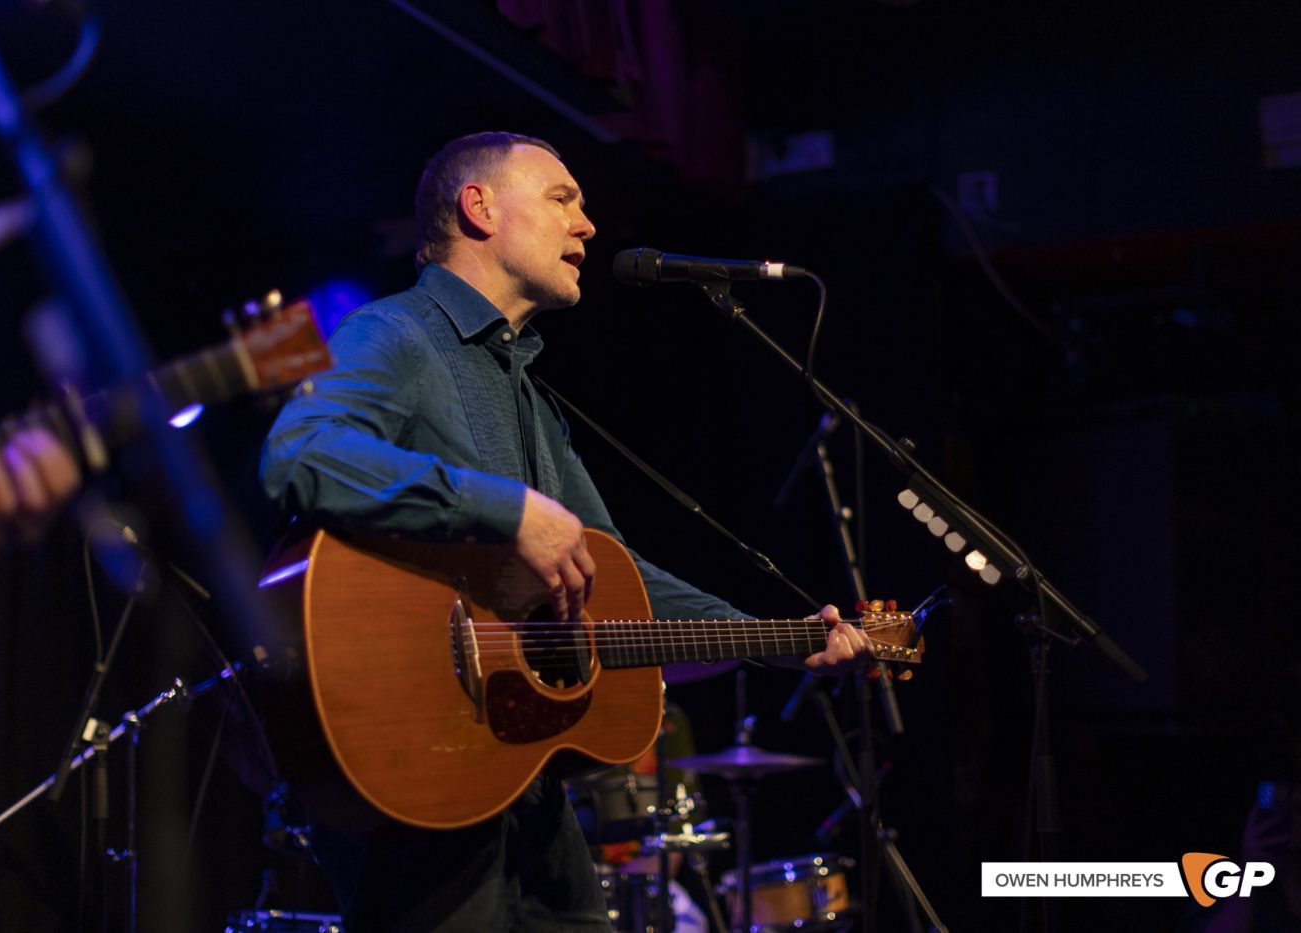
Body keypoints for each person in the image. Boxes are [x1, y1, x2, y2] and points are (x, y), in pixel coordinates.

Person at [259, 131, 873, 931]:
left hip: (529, 796)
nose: (587, 224)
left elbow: (619, 583)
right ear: (478, 208)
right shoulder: (395, 334)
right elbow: (300, 452)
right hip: (422, 772)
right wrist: (505, 509)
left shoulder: (534, 401)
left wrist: (777, 637)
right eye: (562, 199)